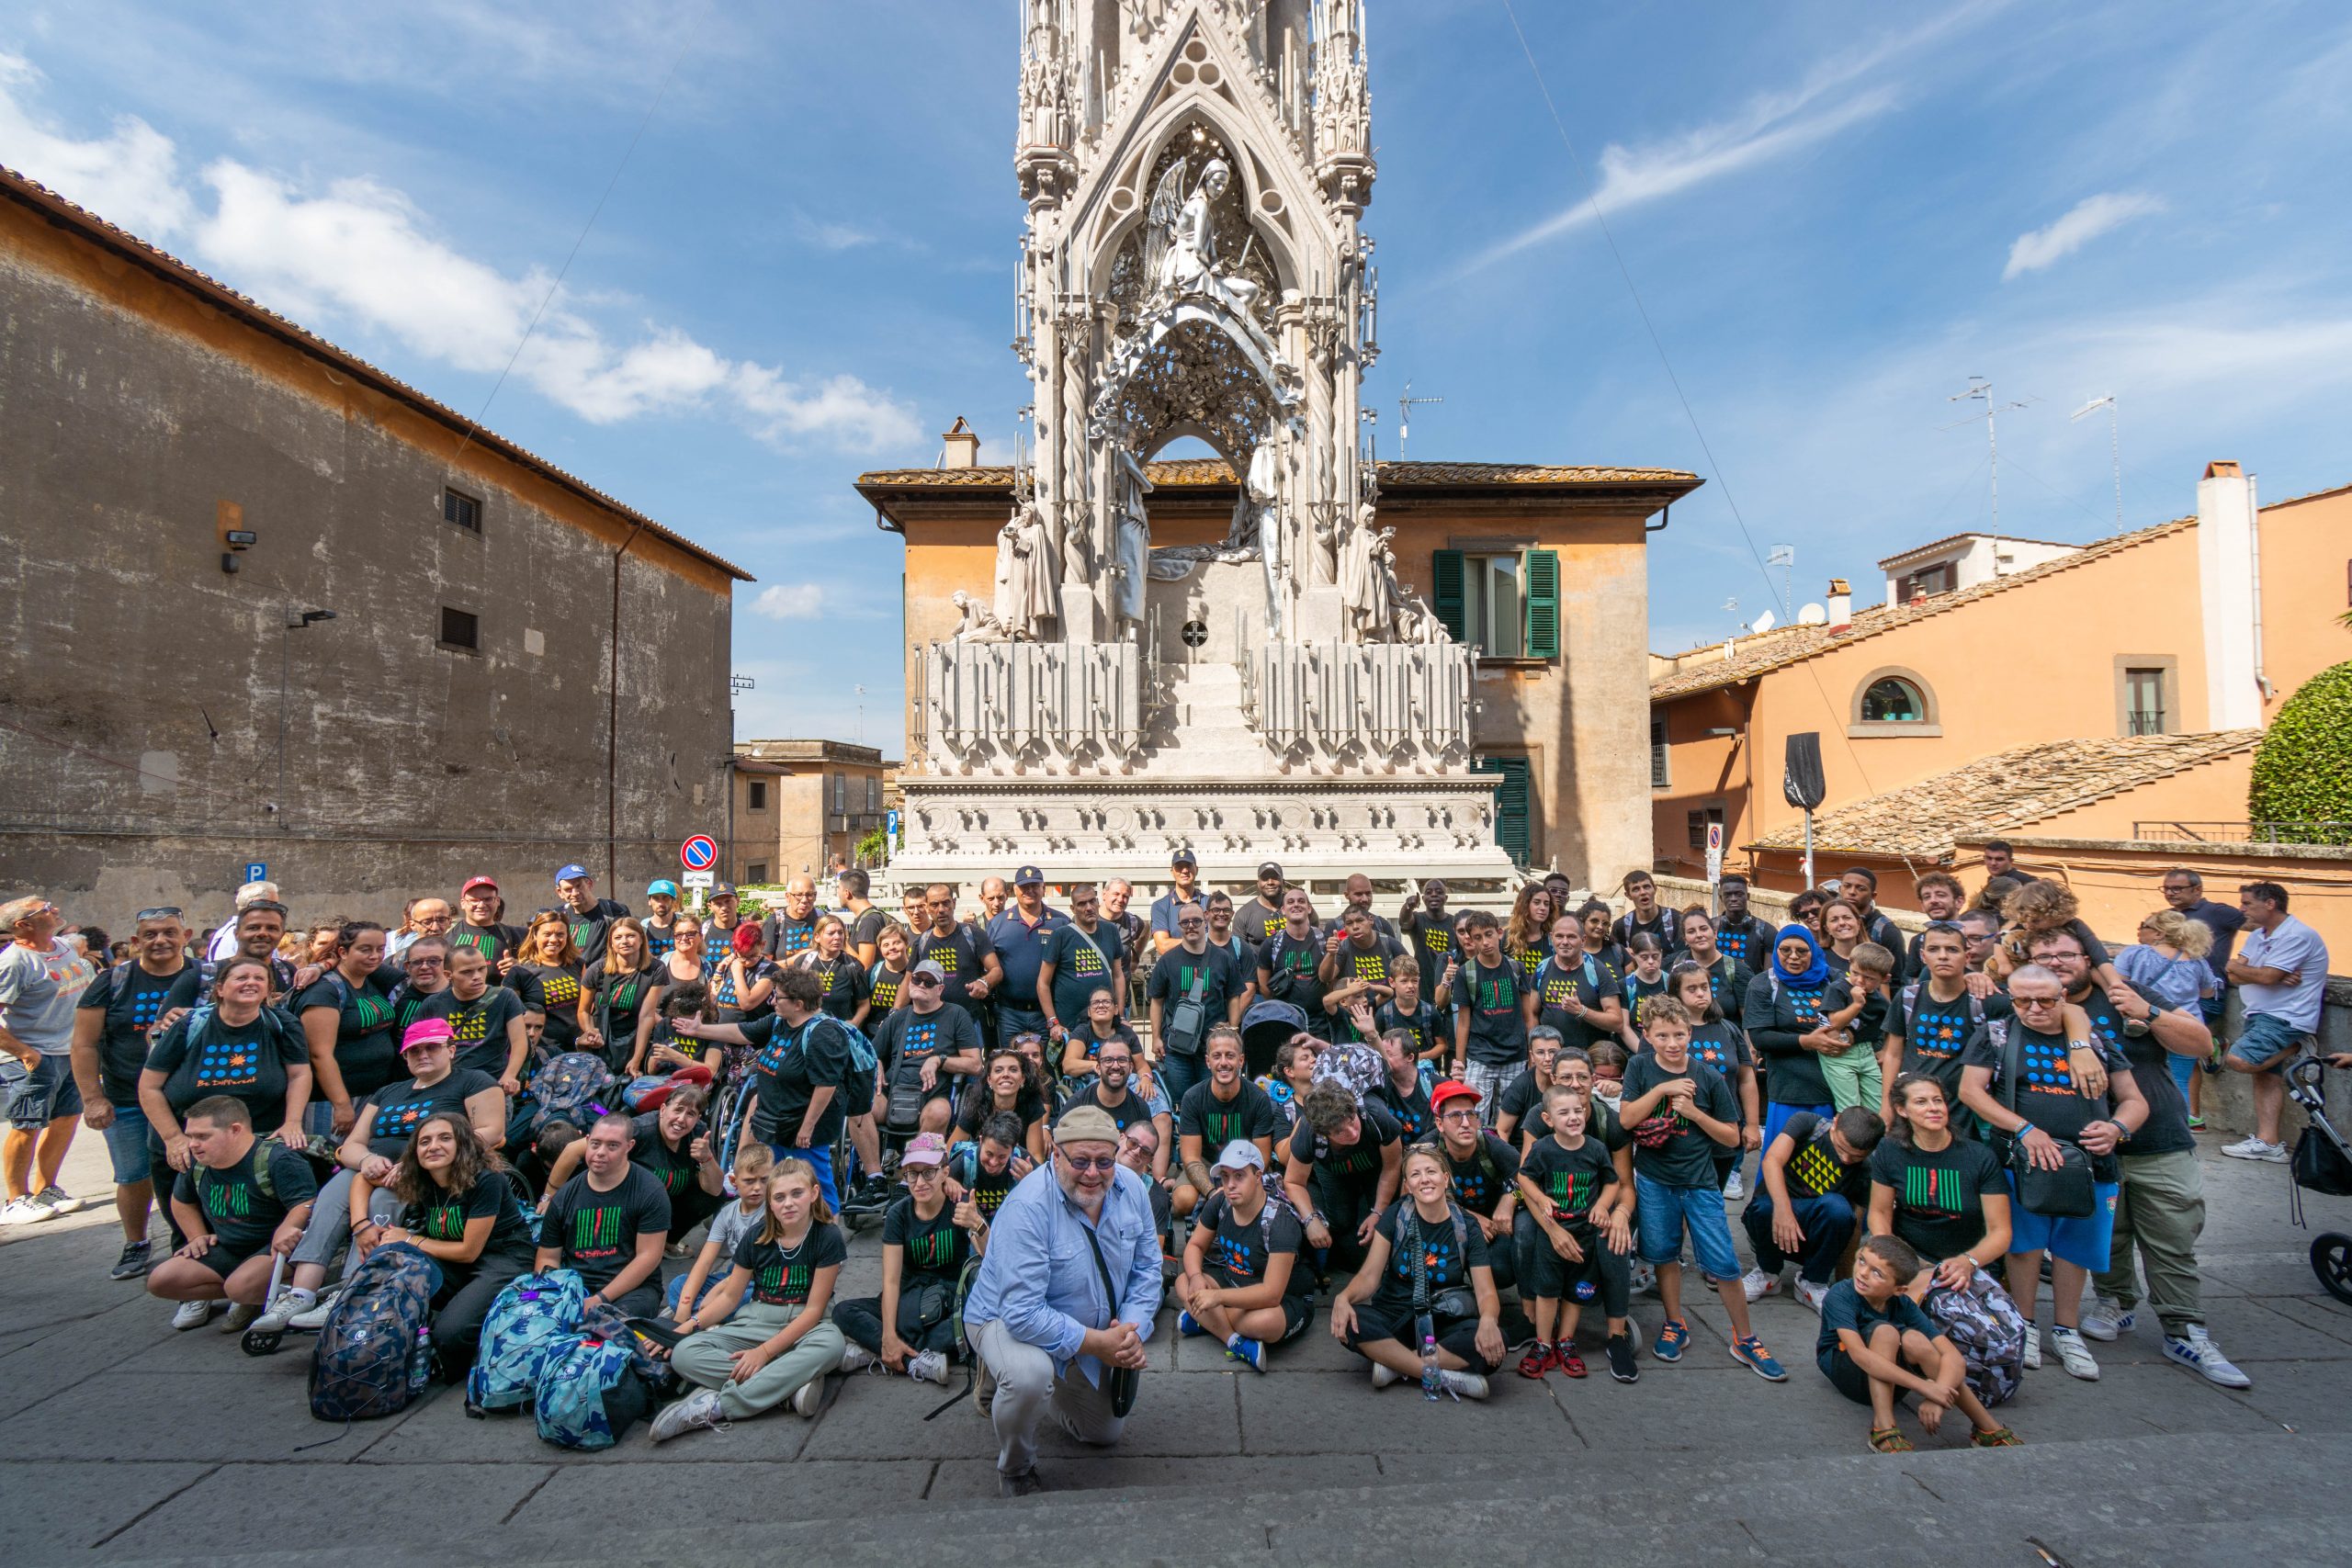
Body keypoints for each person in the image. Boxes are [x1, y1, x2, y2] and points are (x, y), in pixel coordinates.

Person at [2030, 931, 2249, 1388]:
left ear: (2088, 957)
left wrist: (2147, 1012)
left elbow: (2201, 1044)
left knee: (2171, 1236)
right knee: (2107, 1236)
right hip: (2087, 1147)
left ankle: (2184, 1327)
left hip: (2158, 1139)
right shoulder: (2033, 1001)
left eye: (2065, 953)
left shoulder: (2125, 993)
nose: (2055, 962)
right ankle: (2116, 1301)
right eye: (2043, 955)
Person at [963, 1104, 1162, 1496]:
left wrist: (1132, 1327)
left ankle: (1042, 1384)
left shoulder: (1132, 1188)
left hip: (1086, 1327)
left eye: (1104, 1161)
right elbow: (1021, 1313)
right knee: (1028, 1377)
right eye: (1081, 1161)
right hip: (1002, 1317)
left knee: (1104, 1433)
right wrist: (1097, 1344)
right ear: (1055, 1154)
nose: (1093, 1173)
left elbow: (1148, 1270)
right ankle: (1016, 1466)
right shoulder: (1028, 1207)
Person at [1961, 962, 2147, 1381]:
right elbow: (1970, 1090)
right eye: (2023, 1000)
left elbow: (2135, 1100)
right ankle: (2025, 1324)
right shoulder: (1997, 1033)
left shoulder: (2093, 1038)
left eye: (2045, 1000)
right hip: (2021, 1160)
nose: (2034, 1009)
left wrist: (2117, 1128)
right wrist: (2024, 1128)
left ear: (2063, 997)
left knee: (2073, 1249)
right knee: (2024, 1247)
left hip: (2089, 1163)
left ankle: (2067, 1329)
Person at [267, 1017, 505, 1329]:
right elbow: (352, 1143)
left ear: (450, 1050)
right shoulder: (389, 1091)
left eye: (431, 1047)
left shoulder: (473, 1081)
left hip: (428, 1168)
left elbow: (491, 1130)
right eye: (413, 1051)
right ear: (404, 1057)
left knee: (382, 1199)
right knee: (329, 1197)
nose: (422, 1055)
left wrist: (419, 1159)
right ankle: (301, 1293)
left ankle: (351, 1291)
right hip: (372, 1167)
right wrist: (366, 1159)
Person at [1623, 995, 1787, 1380]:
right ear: (1648, 1035)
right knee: (1663, 1254)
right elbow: (1628, 1118)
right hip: (1654, 1179)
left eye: (1679, 1034)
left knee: (1724, 1261)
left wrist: (1695, 1113)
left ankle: (1744, 1336)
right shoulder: (1639, 1067)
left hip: (1699, 1182)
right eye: (1662, 1035)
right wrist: (1662, 1092)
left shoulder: (1708, 1077)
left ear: (1690, 1032)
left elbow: (1731, 1138)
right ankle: (1675, 1322)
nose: (1672, 1043)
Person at [650, 1156, 847, 1438]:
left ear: (814, 1194)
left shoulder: (827, 1236)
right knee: (684, 1354)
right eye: (779, 1197)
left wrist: (764, 1353)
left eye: (797, 1194)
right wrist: (687, 1327)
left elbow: (814, 1310)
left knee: (831, 1346)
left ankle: (716, 1405)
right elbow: (730, 1298)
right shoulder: (756, 1236)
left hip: (808, 1323)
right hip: (758, 1318)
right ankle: (786, 1387)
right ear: (770, 1202)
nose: (788, 1203)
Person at [70, 907, 202, 1270]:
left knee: (194, 1171)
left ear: (185, 936)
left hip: (187, 1098)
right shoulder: (112, 982)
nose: (160, 940)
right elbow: (83, 1044)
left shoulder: (204, 976)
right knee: (133, 1175)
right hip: (126, 1096)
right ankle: (136, 1243)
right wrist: (92, 1098)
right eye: (150, 934)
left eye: (169, 933)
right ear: (135, 941)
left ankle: (198, 1241)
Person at [1329, 1142, 1506, 1398]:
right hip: (1395, 1313)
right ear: (1408, 1186)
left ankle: (1395, 1365)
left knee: (1497, 1340)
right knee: (1350, 1322)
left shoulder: (1466, 1226)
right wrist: (1343, 1297)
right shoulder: (1396, 1215)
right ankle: (1439, 1375)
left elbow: (1486, 1293)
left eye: (1431, 1172)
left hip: (1442, 1318)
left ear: (1445, 1179)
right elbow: (1369, 1276)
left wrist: (1489, 1320)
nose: (1425, 1180)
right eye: (1415, 1174)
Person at [1817, 1234, 2021, 1454]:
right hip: (1849, 1372)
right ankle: (1882, 1428)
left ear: (1899, 1290)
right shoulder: (1841, 1294)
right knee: (1886, 1332)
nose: (1863, 1273)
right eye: (1862, 1261)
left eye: (1877, 1273)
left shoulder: (1903, 1303)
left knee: (1915, 1339)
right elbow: (1859, 1355)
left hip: (1891, 1379)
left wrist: (1939, 1393)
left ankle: (1986, 1428)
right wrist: (1924, 1387)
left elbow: (1952, 1357)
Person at [370, 1111, 537, 1374]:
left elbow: (468, 1252)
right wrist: (363, 1227)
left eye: (445, 1138)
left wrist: (410, 1239)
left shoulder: (487, 1179)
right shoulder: (422, 1177)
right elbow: (362, 1178)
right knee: (394, 1255)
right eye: (424, 1142)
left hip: (503, 1260)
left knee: (450, 1334)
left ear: (462, 1144)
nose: (433, 1146)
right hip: (454, 1262)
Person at [674, 968, 855, 1209]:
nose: (772, 1001)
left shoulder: (823, 1034)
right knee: (777, 1184)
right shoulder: (780, 1021)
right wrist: (699, 1030)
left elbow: (826, 1085)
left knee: (817, 1187)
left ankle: (828, 1238)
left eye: (777, 997)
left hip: (803, 1131)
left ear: (798, 1004)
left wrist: (807, 1128)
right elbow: (741, 1032)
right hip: (774, 1124)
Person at [145, 1096, 317, 1329]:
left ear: (235, 1130)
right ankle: (254, 1294)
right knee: (161, 1280)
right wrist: (196, 1236)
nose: (192, 1144)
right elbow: (181, 1201)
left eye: (202, 1136)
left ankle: (279, 1294)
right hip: (231, 1248)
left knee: (240, 1287)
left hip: (276, 1250)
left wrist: (289, 1226)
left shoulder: (278, 1159)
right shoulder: (200, 1162)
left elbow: (306, 1201)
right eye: (190, 1136)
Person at [835, 1134, 982, 1383]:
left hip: (946, 1304)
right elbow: (891, 1282)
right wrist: (889, 1334)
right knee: (842, 1312)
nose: (919, 1182)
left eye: (929, 1173)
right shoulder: (898, 1215)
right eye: (912, 1174)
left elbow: (989, 1261)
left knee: (973, 1329)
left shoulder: (959, 1206)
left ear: (945, 1172)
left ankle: (874, 1350)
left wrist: (978, 1224)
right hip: (907, 1299)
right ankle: (913, 1360)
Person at [1514, 1083, 1627, 1380]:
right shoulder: (1543, 1149)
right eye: (1563, 1112)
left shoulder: (1595, 1148)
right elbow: (1524, 1178)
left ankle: (1565, 1342)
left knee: (1578, 1290)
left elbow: (1612, 1181)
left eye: (1578, 1110)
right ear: (1549, 1119)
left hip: (1586, 1232)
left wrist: (1603, 1206)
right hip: (1552, 1232)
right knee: (1548, 1289)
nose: (1573, 1117)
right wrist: (1540, 1198)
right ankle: (1542, 1343)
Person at [0, 896, 98, 1224]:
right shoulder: (15, 962)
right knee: (27, 1125)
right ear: (22, 925)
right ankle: (16, 1198)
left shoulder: (62, 946)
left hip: (70, 1051)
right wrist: (26, 1053)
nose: (53, 910)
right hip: (34, 1056)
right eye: (44, 909)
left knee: (65, 1120)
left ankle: (46, 1188)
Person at [1174, 1140, 1311, 1371]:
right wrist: (1197, 1277)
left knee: (1264, 1323)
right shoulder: (1220, 1202)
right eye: (1225, 1177)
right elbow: (1195, 1246)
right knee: (1184, 1281)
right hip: (1232, 1282)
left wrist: (1216, 1300)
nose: (1230, 1185)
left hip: (1282, 1300)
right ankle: (1233, 1340)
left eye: (1239, 1176)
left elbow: (1271, 1295)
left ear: (1258, 1177)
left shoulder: (1280, 1223)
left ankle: (1206, 1320)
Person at [2220, 881, 2329, 1162]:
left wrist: (2252, 970)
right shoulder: (2258, 935)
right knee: (2266, 1077)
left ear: (2270, 904)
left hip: (2286, 1016)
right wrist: (2244, 969)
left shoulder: (2297, 935)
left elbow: (2267, 977)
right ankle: (2269, 1142)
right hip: (2259, 1011)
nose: (2242, 909)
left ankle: (2299, 1047)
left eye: (2247, 904)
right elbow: (2232, 972)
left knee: (2239, 1060)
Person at [1742, 1106, 1883, 1311]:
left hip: (1818, 1232)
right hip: (1774, 1218)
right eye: (1842, 1149)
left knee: (1838, 1208)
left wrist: (1846, 1283)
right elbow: (1772, 1161)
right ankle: (1768, 1273)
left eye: (1855, 1157)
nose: (1845, 1159)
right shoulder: (1808, 1124)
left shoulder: (1865, 1169)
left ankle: (1813, 1282)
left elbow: (1856, 1225)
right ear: (1835, 1123)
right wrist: (1784, 1212)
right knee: (1764, 1207)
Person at [534, 1109, 672, 1316]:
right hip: (577, 1285)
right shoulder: (565, 1196)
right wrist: (558, 1295)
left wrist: (600, 1299)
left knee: (609, 1324)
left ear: (629, 1147)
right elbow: (548, 1257)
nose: (600, 1152)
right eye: (595, 1143)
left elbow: (648, 1257)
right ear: (587, 1141)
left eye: (612, 1145)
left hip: (632, 1289)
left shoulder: (650, 1191)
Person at [1881, 922, 2012, 1120]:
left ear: (1967, 956)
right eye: (1934, 949)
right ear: (1923, 956)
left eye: (1952, 949)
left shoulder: (1987, 1001)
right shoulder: (1908, 997)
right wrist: (1887, 1105)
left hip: (1964, 1113)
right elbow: (1893, 1054)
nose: (1943, 956)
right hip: (1913, 1108)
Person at [1282, 1082, 1403, 1280]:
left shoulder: (1375, 1115)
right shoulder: (1309, 1132)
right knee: (1340, 1221)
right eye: (1340, 1132)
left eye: (1352, 1120)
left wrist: (1378, 1211)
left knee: (1379, 1227)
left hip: (1376, 1171)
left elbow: (1392, 1166)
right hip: (1334, 1171)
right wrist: (1310, 1219)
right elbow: (1293, 1182)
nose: (1352, 1133)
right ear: (1324, 1133)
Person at [2115, 909, 2217, 1122]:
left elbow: (2118, 984)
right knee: (2179, 1081)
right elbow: (2208, 993)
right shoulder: (2196, 960)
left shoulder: (2136, 954)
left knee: (2140, 1080)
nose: (2140, 930)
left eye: (2147, 926)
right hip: (2186, 1027)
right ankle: (2181, 1128)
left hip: (2143, 1024)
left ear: (2160, 933)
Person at [1744, 924, 1839, 1149]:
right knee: (1783, 1161)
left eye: (1802, 951)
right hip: (1788, 1090)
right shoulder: (1763, 983)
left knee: (1825, 1163)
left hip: (1832, 1090)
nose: (1793, 957)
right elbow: (1761, 1038)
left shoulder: (1833, 980)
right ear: (1776, 950)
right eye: (1785, 950)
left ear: (1813, 952)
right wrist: (1808, 1042)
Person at [1144, 900, 1247, 1105]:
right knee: (1180, 1101)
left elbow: (1233, 997)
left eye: (1196, 921)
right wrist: (1156, 1038)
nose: (1191, 926)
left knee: (1213, 1099)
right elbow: (1157, 1001)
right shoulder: (1167, 960)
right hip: (1176, 1046)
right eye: (1185, 922)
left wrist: (1232, 1029)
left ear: (1206, 920)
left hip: (1213, 1045)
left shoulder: (1223, 958)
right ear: (1179, 926)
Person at [1672, 962, 1759, 1199]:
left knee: (1711, 1198)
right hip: (1679, 1133)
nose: (1701, 993)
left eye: (1705, 987)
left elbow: (1746, 1078)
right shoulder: (1666, 1031)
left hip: (1723, 1130)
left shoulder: (1728, 1029)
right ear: (1676, 994)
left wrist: (1751, 1125)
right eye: (1692, 989)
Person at [1427, 1079, 1524, 1290]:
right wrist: (1466, 1217)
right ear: (1439, 1123)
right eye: (1455, 1116)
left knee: (1501, 1272)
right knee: (1437, 1272)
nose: (1465, 1123)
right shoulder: (1428, 1149)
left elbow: (1528, 1180)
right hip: (1446, 1222)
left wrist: (1510, 1200)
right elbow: (1412, 1198)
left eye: (1471, 1114)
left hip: (1491, 1228)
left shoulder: (1492, 1145)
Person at [1173, 1028, 1281, 1216]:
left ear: (1241, 1060)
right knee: (1183, 1200)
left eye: (1230, 1056)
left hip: (1245, 1163)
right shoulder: (1193, 1097)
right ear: (1208, 1061)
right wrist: (1212, 1192)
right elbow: (1190, 1157)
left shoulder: (1258, 1098)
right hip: (1206, 1163)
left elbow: (1262, 1158)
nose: (1223, 1062)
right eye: (1217, 1056)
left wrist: (1237, 1181)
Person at [872, 960, 985, 1137]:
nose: (921, 985)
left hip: (932, 1096)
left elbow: (976, 1065)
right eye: (917, 980)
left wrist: (939, 1060)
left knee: (939, 1113)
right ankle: (872, 1165)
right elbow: (870, 1054)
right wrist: (876, 1062)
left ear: (940, 989)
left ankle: (916, 1164)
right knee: (859, 1107)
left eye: (929, 982)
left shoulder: (956, 1014)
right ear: (910, 983)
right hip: (892, 1093)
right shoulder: (896, 1018)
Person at [667, 1143, 773, 1325]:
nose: (757, 1187)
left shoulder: (773, 1213)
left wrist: (718, 1293)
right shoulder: (727, 1214)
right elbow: (705, 1262)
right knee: (679, 1285)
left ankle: (703, 1317)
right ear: (734, 1182)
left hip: (762, 1281)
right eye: (749, 1181)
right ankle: (707, 1316)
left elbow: (759, 1271)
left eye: (764, 1180)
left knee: (751, 1299)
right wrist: (685, 1304)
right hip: (732, 1278)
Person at [420, 945, 531, 1094]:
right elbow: (417, 1045)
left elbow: (519, 1041)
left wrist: (510, 1075)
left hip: (492, 1083)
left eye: (481, 969)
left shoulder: (505, 997)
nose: (477, 976)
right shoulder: (433, 1004)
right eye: (467, 972)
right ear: (448, 975)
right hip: (444, 1085)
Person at [1450, 909, 1526, 1120]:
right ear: (1471, 941)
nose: (1485, 942)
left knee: (1510, 1119)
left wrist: (1532, 1053)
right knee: (1475, 1116)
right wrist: (1460, 1062)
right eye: (1477, 937)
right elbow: (1463, 1022)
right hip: (1481, 1056)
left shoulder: (1515, 968)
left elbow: (1528, 1016)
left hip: (1515, 1056)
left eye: (1489, 934)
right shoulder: (1467, 972)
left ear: (1499, 933)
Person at [986, 867, 1067, 1051]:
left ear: (1043, 888)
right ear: (1015, 890)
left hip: (1046, 1012)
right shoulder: (997, 924)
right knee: (1009, 1064)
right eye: (1024, 887)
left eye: (1034, 886)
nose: (1029, 891)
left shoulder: (1060, 922)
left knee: (1047, 1068)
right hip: (1009, 1012)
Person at [1816, 942, 1895, 1113]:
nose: (1860, 981)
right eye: (1855, 973)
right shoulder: (1838, 989)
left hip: (1866, 1052)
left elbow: (1892, 1027)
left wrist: (1885, 1051)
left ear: (1884, 979)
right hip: (1840, 1055)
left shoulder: (1881, 1001)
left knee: (1877, 1106)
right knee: (1850, 1107)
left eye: (1869, 978)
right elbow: (1836, 1022)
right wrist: (1857, 1005)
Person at [1527, 915, 1621, 1055]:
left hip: (1588, 1057)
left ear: (1583, 940)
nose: (1565, 942)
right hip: (1551, 1057)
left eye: (1571, 937)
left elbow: (1617, 1022)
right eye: (1559, 936)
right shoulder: (1542, 968)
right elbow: (1532, 1014)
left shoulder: (1597, 970)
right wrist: (1533, 1052)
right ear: (1551, 938)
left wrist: (1582, 1011)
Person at [579, 917, 662, 1075]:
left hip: (636, 1039)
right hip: (601, 1039)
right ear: (611, 943)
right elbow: (583, 1010)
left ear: (641, 939)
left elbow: (647, 1016)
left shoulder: (655, 969)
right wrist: (590, 1032)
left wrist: (637, 1058)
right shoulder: (597, 970)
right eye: (618, 937)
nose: (624, 941)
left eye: (630, 936)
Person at [914, 882, 1001, 1030]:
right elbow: (908, 979)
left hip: (970, 1021)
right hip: (933, 1023)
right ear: (927, 908)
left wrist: (984, 982)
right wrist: (895, 1011)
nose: (941, 910)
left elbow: (996, 970)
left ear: (954, 903)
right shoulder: (922, 942)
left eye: (946, 903)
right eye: (935, 905)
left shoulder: (974, 934)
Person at [510, 912, 589, 1055]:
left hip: (578, 1047)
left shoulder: (578, 964)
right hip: (541, 1052)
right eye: (547, 934)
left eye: (560, 934)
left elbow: (587, 1007)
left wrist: (588, 1033)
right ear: (534, 935)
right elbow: (511, 1017)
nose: (553, 940)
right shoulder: (519, 972)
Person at [1254, 887, 1328, 1034]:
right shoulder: (1272, 943)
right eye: (1290, 902)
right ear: (1283, 910)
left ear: (1309, 909)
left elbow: (1330, 980)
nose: (1296, 905)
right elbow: (1264, 986)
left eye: (1301, 901)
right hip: (1284, 1022)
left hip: (1320, 1025)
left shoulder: (1323, 941)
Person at [552, 863, 630, 968]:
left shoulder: (614, 911)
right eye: (568, 889)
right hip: (572, 979)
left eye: (579, 886)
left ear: (589, 884)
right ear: (559, 892)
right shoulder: (558, 916)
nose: (575, 893)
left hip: (606, 979)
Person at [1367, 1026, 1433, 1143]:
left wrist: (1460, 1082)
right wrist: (1371, 1035)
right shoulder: (1379, 1086)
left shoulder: (1434, 1085)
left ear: (1410, 1057)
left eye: (1389, 1054)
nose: (1382, 1058)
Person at [449, 876, 521, 982]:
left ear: (497, 901)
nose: (481, 905)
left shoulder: (513, 935)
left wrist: (517, 967)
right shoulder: (448, 935)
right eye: (474, 900)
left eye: (488, 899)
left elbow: (534, 967)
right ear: (463, 903)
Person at [1836, 869, 1907, 972]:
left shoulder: (1886, 931)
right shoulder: (1832, 924)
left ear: (1873, 896)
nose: (1851, 892)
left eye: (1861, 888)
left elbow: (1895, 979)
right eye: (1847, 886)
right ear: (1839, 889)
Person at [1904, 873, 1966, 976]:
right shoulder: (1918, 941)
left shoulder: (1972, 937)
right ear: (1922, 906)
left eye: (1941, 895)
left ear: (1959, 902)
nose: (1933, 901)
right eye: (1927, 897)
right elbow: (1913, 981)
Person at [1711, 875, 1773, 973]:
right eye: (1727, 895)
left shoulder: (1766, 931)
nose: (1733, 899)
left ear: (1747, 896)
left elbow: (1768, 977)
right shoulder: (1709, 927)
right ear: (1721, 898)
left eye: (1739, 894)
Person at [1397, 877, 1454, 984]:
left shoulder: (1454, 922)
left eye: (1439, 892)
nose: (1434, 895)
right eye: (1429, 892)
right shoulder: (1418, 919)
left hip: (1449, 984)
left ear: (1446, 898)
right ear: (1423, 899)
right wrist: (1408, 906)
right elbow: (1404, 922)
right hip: (1423, 984)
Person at [1148, 850, 1204, 955]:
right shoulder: (1160, 906)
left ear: (1196, 869)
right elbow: (1163, 947)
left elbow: (1218, 940)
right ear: (1172, 872)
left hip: (1205, 968)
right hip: (1173, 970)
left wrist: (1176, 942)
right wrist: (1199, 941)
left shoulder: (1209, 903)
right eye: (1179, 867)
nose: (1184, 871)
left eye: (1188, 866)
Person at [1611, 872, 1675, 953]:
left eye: (1647, 887)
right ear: (1628, 895)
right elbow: (1612, 959)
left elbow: (1683, 954)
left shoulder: (1675, 919)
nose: (1643, 892)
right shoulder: (1621, 927)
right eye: (1636, 889)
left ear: (1655, 889)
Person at [836, 868, 888, 967]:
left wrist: (844, 944)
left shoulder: (869, 921)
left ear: (847, 893)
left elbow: (865, 966)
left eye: (839, 889)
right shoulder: (865, 917)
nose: (838, 894)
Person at [1238, 862, 1291, 943]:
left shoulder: (1297, 906)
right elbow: (1239, 950)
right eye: (1265, 878)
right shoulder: (1244, 914)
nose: (1270, 882)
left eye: (1275, 878)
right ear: (1258, 884)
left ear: (1283, 882)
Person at [641, 880, 684, 963]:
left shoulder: (683, 923)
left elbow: (699, 950)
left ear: (673, 900)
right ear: (649, 901)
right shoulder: (643, 927)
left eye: (665, 898)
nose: (661, 903)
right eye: (656, 898)